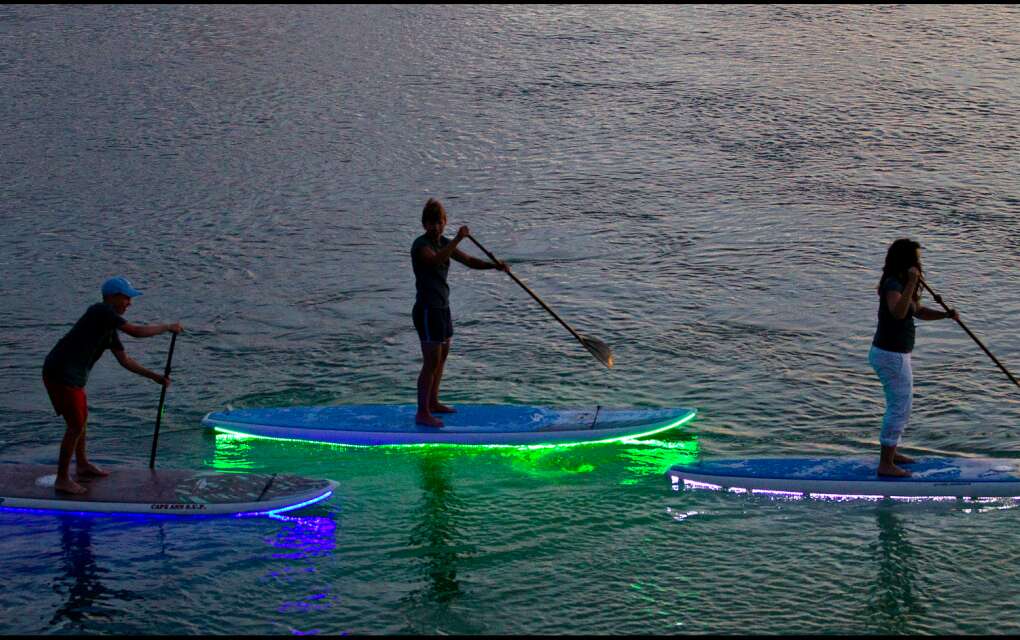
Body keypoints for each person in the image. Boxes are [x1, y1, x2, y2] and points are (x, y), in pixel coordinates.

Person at [42, 276, 183, 494]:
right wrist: (167, 327)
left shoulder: (108, 328)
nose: (129, 303)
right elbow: (136, 332)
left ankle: (82, 465)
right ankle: (62, 478)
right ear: (112, 297)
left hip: (73, 377)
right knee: (76, 425)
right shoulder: (100, 311)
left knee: (81, 421)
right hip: (61, 373)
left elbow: (125, 360)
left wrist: (154, 376)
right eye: (126, 298)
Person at [411, 198, 508, 427]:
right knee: (430, 362)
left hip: (443, 308)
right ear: (424, 225)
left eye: (439, 222)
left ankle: (433, 402)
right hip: (427, 309)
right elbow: (435, 260)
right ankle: (422, 413)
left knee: (442, 357)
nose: (435, 227)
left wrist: (494, 265)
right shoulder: (421, 245)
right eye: (431, 223)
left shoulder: (444, 242)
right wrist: (457, 238)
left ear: (444, 223)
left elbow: (470, 260)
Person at [868, 239, 957, 477]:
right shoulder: (893, 284)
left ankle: (892, 453)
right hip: (890, 355)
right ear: (907, 261)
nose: (919, 262)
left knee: (902, 406)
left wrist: (946, 315)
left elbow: (917, 311)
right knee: (899, 408)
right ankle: (885, 464)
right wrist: (913, 282)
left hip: (897, 355)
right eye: (916, 258)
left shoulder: (902, 283)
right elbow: (898, 313)